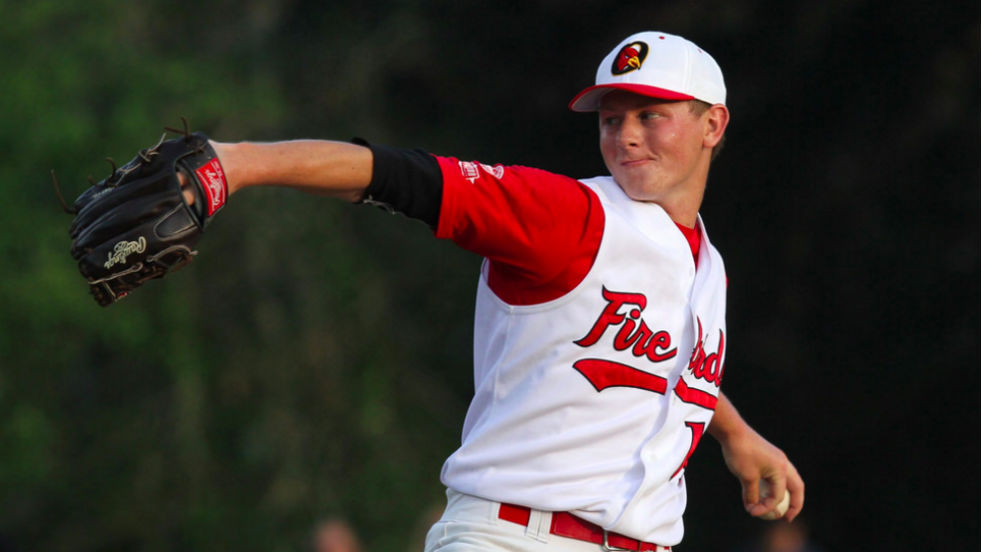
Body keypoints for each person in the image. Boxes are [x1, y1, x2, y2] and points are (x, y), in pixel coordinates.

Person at [189, 30, 804, 551]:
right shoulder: (572, 213)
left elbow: (656, 366)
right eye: (612, 119)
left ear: (712, 124)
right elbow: (402, 176)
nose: (626, 136)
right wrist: (239, 163)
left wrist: (734, 432)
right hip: (517, 537)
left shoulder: (707, 265)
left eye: (650, 115)